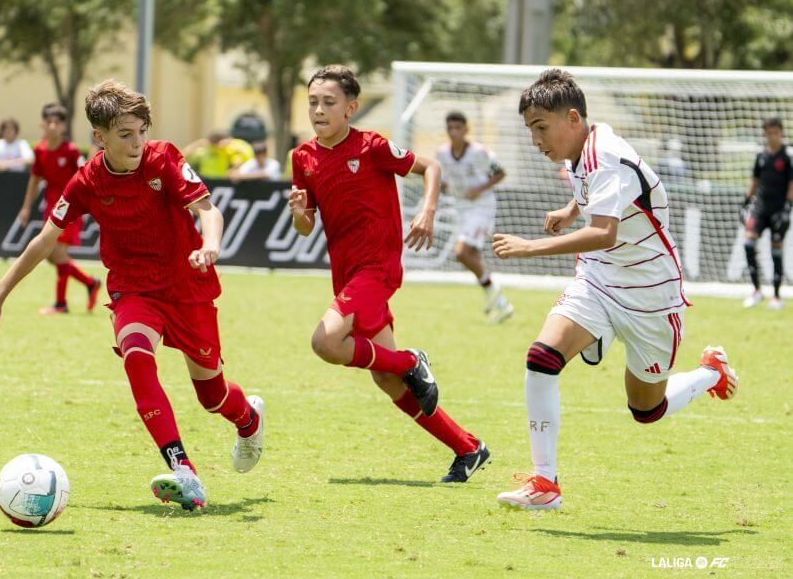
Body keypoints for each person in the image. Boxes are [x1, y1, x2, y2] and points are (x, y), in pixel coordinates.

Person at [0, 79, 265, 510]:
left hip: (187, 287)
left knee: (212, 396)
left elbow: (208, 209)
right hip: (133, 289)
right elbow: (45, 240)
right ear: (99, 137)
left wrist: (210, 245)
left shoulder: (163, 159)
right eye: (126, 134)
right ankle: (185, 472)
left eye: (142, 131)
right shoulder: (87, 181)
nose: (138, 142)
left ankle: (249, 419)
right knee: (136, 357)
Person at [492, 69, 738, 510]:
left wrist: (530, 247)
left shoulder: (605, 154)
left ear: (572, 118)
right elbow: (599, 193)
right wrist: (572, 209)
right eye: (530, 129)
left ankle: (710, 373)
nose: (535, 140)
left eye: (540, 128)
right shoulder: (582, 146)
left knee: (647, 410)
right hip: (600, 278)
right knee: (542, 357)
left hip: (650, 296)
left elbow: (605, 232)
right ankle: (545, 483)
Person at [289, 65, 490, 483]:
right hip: (346, 274)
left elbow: (431, 168)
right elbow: (305, 226)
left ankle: (411, 360)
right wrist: (297, 213)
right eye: (313, 102)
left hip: (378, 267)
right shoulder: (302, 158)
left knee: (325, 342)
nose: (319, 110)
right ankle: (468, 448)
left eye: (329, 102)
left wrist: (427, 211)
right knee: (386, 377)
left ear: (351, 109)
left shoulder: (372, 146)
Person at [18, 103, 101, 315]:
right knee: (51, 255)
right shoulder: (40, 150)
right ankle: (90, 283)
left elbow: (85, 176)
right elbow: (34, 180)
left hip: (71, 210)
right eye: (49, 122)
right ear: (42, 124)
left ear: (64, 126)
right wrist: (26, 208)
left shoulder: (71, 151)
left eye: (57, 122)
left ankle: (61, 304)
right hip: (51, 210)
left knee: (57, 253)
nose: (53, 126)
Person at [436, 111, 513, 323]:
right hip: (460, 208)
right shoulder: (442, 154)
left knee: (461, 252)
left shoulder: (479, 152)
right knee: (472, 256)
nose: (454, 132)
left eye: (457, 128)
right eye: (450, 128)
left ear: (466, 129)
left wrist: (479, 188)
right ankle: (502, 304)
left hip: (481, 207)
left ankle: (493, 289)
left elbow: (500, 173)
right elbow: (444, 181)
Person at [741, 117, 792, 310]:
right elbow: (755, 180)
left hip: (779, 209)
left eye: (776, 133)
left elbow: (791, 183)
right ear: (765, 135)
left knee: (776, 251)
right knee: (748, 243)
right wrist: (746, 201)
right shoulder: (761, 156)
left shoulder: (787, 157)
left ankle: (776, 297)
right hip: (760, 208)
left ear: (781, 133)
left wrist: (788, 206)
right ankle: (756, 290)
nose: (773, 137)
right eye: (769, 133)